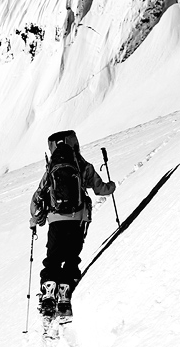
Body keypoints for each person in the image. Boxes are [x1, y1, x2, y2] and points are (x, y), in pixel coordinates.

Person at [29, 130, 116, 317]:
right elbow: (101, 190)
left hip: (55, 221)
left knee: (52, 258)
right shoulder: (82, 165)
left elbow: (37, 199)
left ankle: (48, 292)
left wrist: (36, 218)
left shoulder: (51, 168)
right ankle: (65, 292)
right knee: (71, 257)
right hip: (77, 220)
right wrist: (112, 186)